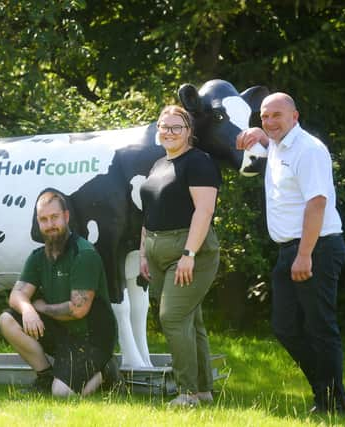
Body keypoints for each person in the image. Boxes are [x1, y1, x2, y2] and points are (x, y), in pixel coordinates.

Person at [236, 92, 345, 414]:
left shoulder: (309, 150)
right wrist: (259, 134)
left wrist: (305, 255)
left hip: (316, 248)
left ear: (295, 117)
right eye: (264, 117)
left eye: (277, 116)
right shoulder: (276, 143)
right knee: (285, 327)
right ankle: (332, 393)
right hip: (290, 250)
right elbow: (265, 137)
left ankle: (331, 403)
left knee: (320, 326)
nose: (270, 122)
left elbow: (317, 203)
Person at [0, 190, 120, 397]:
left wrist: (42, 308)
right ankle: (45, 377)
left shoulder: (84, 254)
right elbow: (17, 295)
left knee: (62, 394)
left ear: (66, 217)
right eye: (43, 220)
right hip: (62, 333)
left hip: (91, 339)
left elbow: (78, 310)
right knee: (7, 319)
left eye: (54, 217)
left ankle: (107, 371)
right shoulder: (37, 257)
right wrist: (28, 309)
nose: (50, 225)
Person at [138, 105, 221, 407]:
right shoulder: (158, 163)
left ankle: (186, 393)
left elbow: (204, 210)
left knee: (171, 317)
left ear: (189, 132)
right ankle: (203, 390)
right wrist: (143, 252)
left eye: (176, 127)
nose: (169, 132)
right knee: (190, 320)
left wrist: (189, 253)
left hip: (188, 250)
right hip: (157, 249)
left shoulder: (198, 162)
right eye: (164, 126)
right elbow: (149, 212)